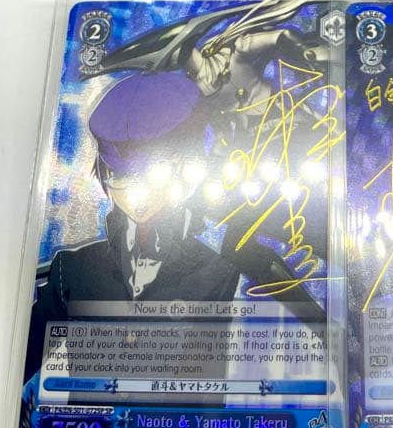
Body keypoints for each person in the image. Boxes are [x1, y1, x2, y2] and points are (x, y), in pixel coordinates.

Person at [24, 71, 239, 381]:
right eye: (119, 176)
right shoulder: (71, 270)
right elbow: (18, 360)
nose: (138, 194)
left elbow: (206, 389)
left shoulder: (215, 273)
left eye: (154, 176)